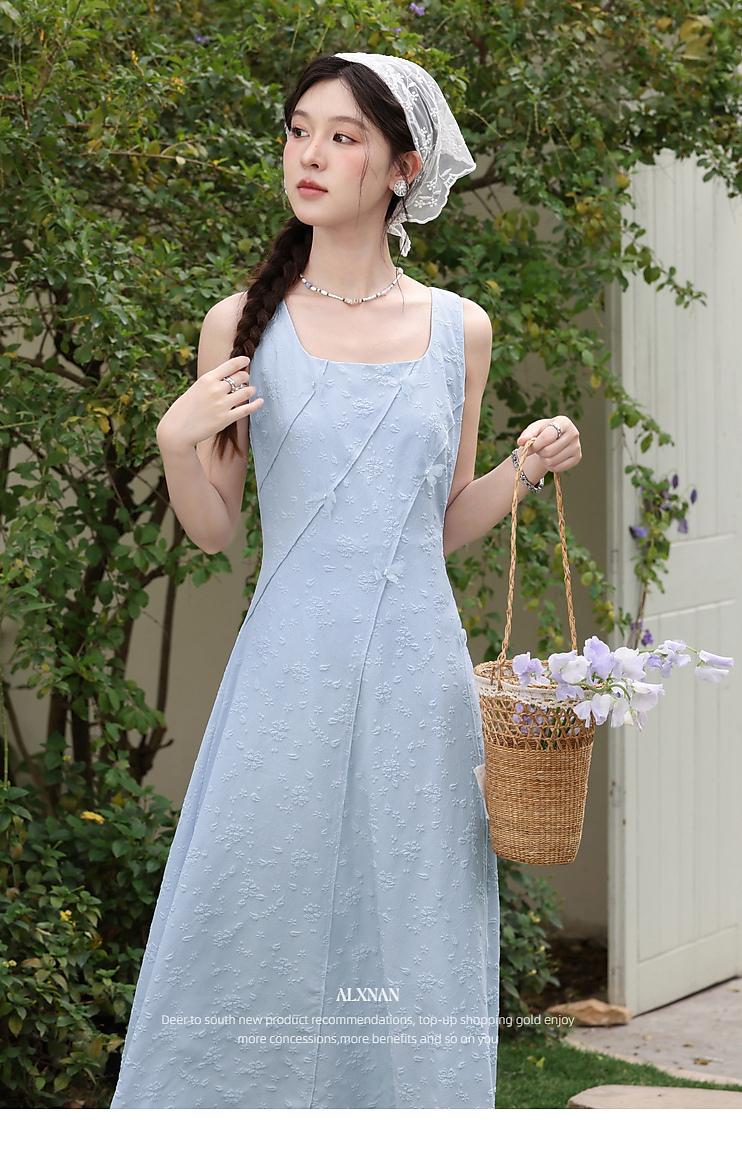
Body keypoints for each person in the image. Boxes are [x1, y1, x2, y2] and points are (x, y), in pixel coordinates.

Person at [110, 51, 581, 1110]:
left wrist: (524, 466)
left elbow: (436, 524)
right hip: (287, 673)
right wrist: (177, 441)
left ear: (404, 168)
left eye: (342, 136)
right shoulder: (242, 322)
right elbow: (215, 531)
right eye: (297, 130)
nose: (309, 155)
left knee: (411, 918)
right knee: (256, 910)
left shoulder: (460, 329)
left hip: (420, 680)